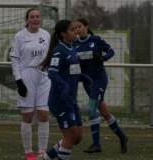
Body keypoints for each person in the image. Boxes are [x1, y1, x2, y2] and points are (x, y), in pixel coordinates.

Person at [37, 19, 94, 160]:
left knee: (78, 137)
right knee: (70, 136)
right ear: (63, 34)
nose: (76, 31)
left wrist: (83, 77)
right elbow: (52, 73)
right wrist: (64, 87)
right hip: (60, 99)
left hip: (70, 98)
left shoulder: (72, 47)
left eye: (76, 28)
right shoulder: (59, 50)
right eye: (72, 29)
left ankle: (45, 158)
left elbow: (70, 73)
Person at [73, 17, 128, 153]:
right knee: (104, 112)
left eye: (79, 26)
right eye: (75, 28)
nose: (77, 29)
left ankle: (96, 144)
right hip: (88, 81)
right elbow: (74, 64)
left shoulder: (96, 40)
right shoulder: (74, 44)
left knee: (91, 109)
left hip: (99, 79)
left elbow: (111, 51)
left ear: (86, 27)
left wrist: (103, 58)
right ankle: (122, 137)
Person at [9, 8, 51, 160]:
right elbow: (15, 59)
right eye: (32, 17)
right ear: (26, 20)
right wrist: (19, 81)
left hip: (44, 77)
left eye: (38, 17)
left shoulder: (46, 35)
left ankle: (42, 152)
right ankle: (28, 152)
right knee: (27, 116)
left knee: (44, 115)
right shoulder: (20, 36)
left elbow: (50, 57)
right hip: (26, 77)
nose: (35, 19)